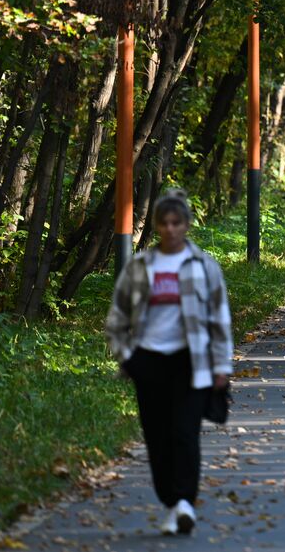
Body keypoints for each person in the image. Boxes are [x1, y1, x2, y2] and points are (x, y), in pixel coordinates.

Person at [106, 189, 233, 536]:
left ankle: (185, 503)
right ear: (158, 226)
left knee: (184, 433)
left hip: (191, 360)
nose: (171, 229)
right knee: (157, 436)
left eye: (177, 223)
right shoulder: (140, 266)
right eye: (165, 223)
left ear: (187, 225)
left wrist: (222, 366)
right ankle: (170, 502)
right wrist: (127, 357)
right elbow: (117, 318)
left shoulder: (204, 266)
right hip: (148, 361)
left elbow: (219, 318)